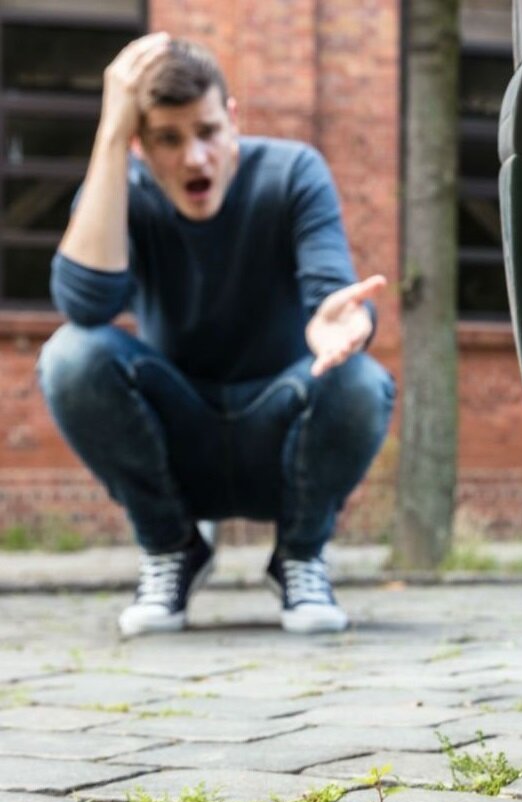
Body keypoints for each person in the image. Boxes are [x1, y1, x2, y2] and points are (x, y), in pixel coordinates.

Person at [37, 33, 396, 637]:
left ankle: (301, 556)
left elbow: (334, 294)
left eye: (206, 132)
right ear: (139, 145)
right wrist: (109, 138)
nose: (194, 159)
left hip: (280, 433)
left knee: (362, 380)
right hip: (180, 439)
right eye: (167, 140)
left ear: (232, 119)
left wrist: (342, 323)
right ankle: (173, 549)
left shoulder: (292, 172)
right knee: (70, 357)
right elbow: (85, 304)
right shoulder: (121, 189)